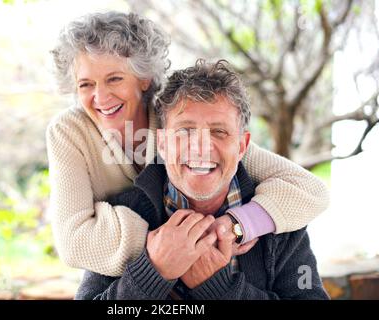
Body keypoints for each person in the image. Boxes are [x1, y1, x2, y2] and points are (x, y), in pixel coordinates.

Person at [46, 11, 330, 277]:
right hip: (127, 274)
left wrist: (237, 224)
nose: (101, 97)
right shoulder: (68, 132)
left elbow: (309, 190)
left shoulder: (180, 118)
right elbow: (74, 242)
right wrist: (168, 246)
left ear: (144, 79)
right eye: (86, 85)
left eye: (115, 79)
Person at [75, 60, 329, 300]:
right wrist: (152, 272)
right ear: (162, 143)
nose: (201, 148)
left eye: (219, 132)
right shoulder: (121, 214)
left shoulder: (281, 218)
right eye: (184, 131)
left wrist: (217, 288)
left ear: (242, 146)